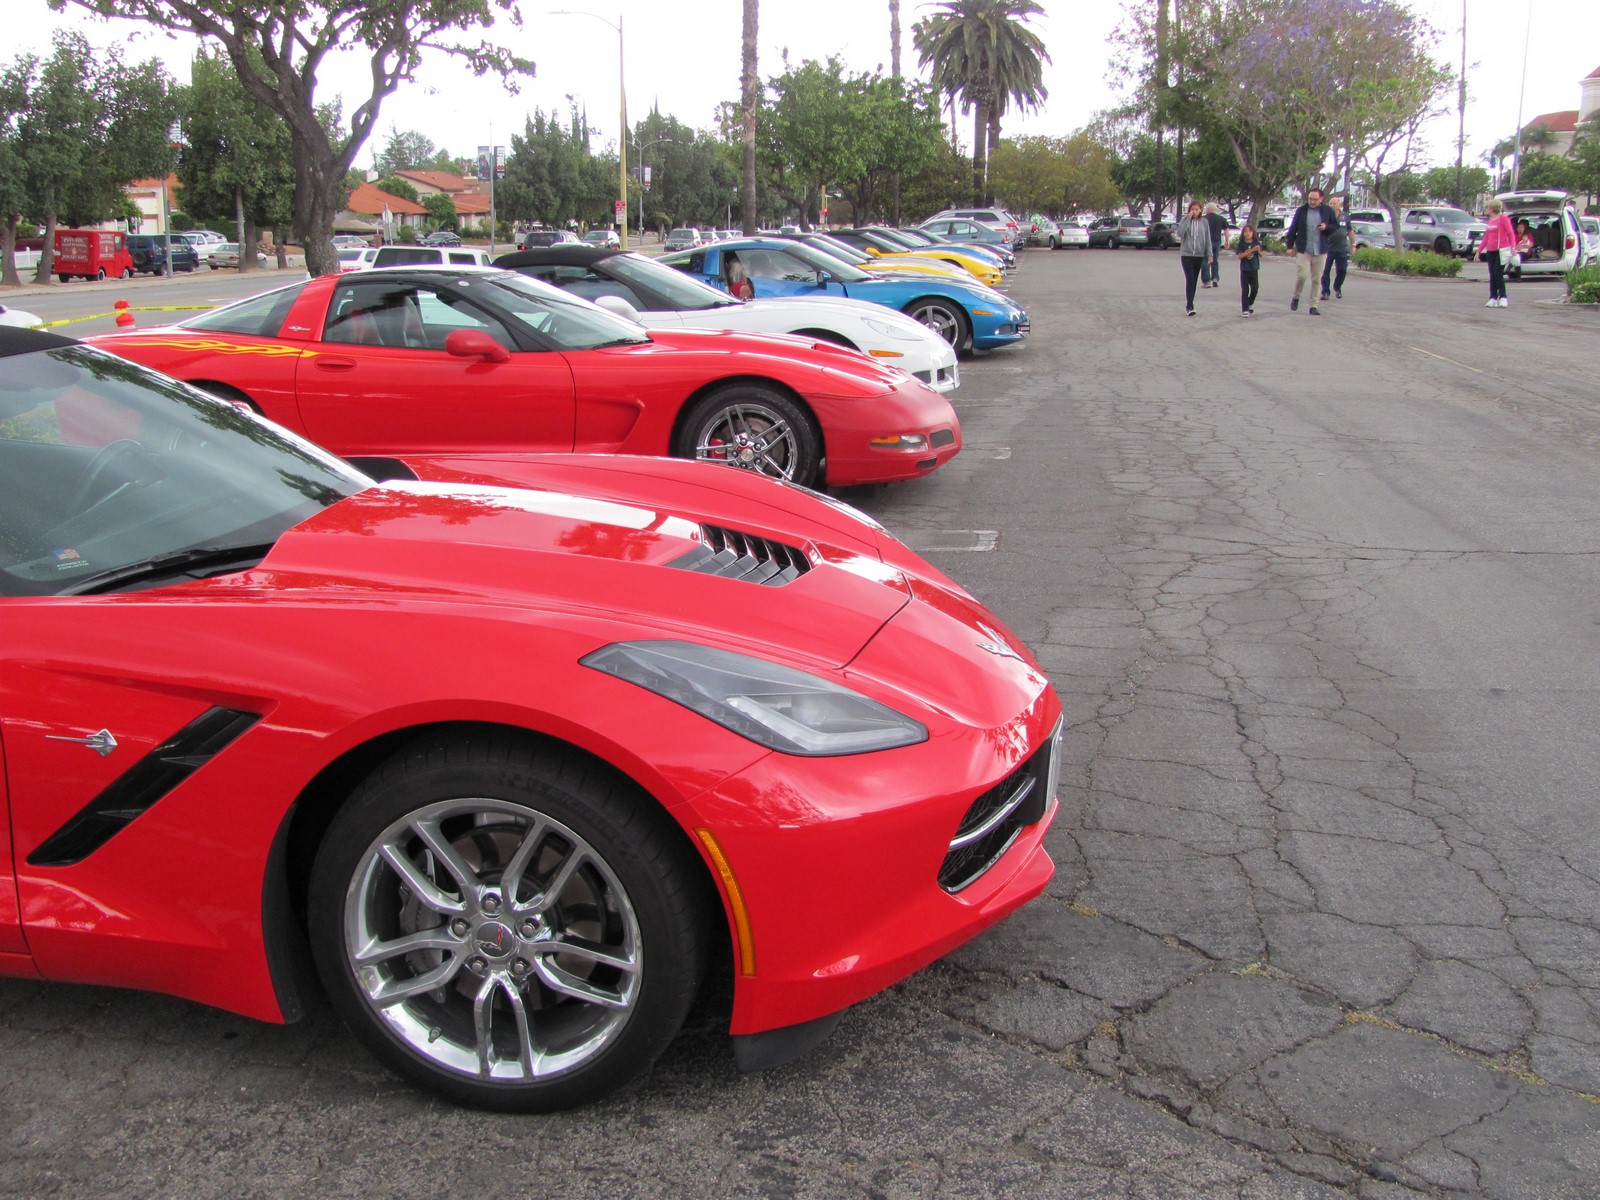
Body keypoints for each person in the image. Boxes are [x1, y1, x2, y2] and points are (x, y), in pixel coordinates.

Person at [1284, 187, 1337, 315]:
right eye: (1310, 199)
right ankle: (1296, 297)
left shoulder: (1327, 211)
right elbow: (1293, 229)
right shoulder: (1301, 211)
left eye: (1315, 199)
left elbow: (1335, 226)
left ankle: (1313, 306)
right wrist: (1289, 246)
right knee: (1302, 275)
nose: (1312, 202)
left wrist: (1326, 227)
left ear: (1321, 199)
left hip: (1320, 250)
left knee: (1317, 279)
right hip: (1304, 250)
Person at [1477, 198, 1516, 308]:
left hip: (1501, 250)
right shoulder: (1490, 220)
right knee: (1492, 274)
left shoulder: (1503, 218)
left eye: (1487, 207)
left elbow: (1510, 233)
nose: (1486, 209)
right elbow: (1486, 237)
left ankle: (1503, 297)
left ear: (1492, 208)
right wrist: (1479, 251)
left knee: (1498, 273)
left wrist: (1513, 247)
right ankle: (1493, 297)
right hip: (1491, 251)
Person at [1176, 201, 1209, 316]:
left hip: (1199, 255)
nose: (1194, 211)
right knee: (1190, 279)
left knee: (1194, 280)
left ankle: (1190, 302)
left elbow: (1208, 238)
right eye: (1192, 209)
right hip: (1187, 254)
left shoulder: (1204, 222)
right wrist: (1188, 219)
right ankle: (1189, 306)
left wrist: (1210, 254)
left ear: (1200, 210)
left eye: (1196, 209)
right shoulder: (1184, 220)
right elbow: (1180, 233)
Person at [1319, 196, 1350, 301]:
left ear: (1339, 205)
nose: (1332, 205)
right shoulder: (1325, 216)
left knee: (1342, 270)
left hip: (1342, 248)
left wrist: (1354, 244)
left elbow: (1350, 230)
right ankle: (1325, 292)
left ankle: (1337, 287)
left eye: (1334, 203)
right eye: (1331, 203)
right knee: (1325, 271)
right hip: (1327, 248)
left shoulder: (1345, 216)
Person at [1236, 223, 1263, 317]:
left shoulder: (1256, 243)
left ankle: (1249, 303)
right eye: (1245, 231)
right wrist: (1251, 250)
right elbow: (1240, 256)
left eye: (1249, 231)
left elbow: (1262, 255)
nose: (1247, 233)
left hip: (1254, 269)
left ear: (1253, 233)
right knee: (1245, 290)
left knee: (1255, 288)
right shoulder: (1241, 244)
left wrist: (1258, 251)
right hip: (1245, 269)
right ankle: (1245, 309)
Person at [1200, 202, 1227, 287]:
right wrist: (1227, 241)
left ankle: (1206, 281)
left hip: (1205, 242)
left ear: (1208, 209)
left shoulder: (1203, 219)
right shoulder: (1221, 219)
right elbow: (1226, 230)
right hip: (1217, 242)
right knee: (1215, 260)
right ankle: (1215, 278)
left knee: (1205, 261)